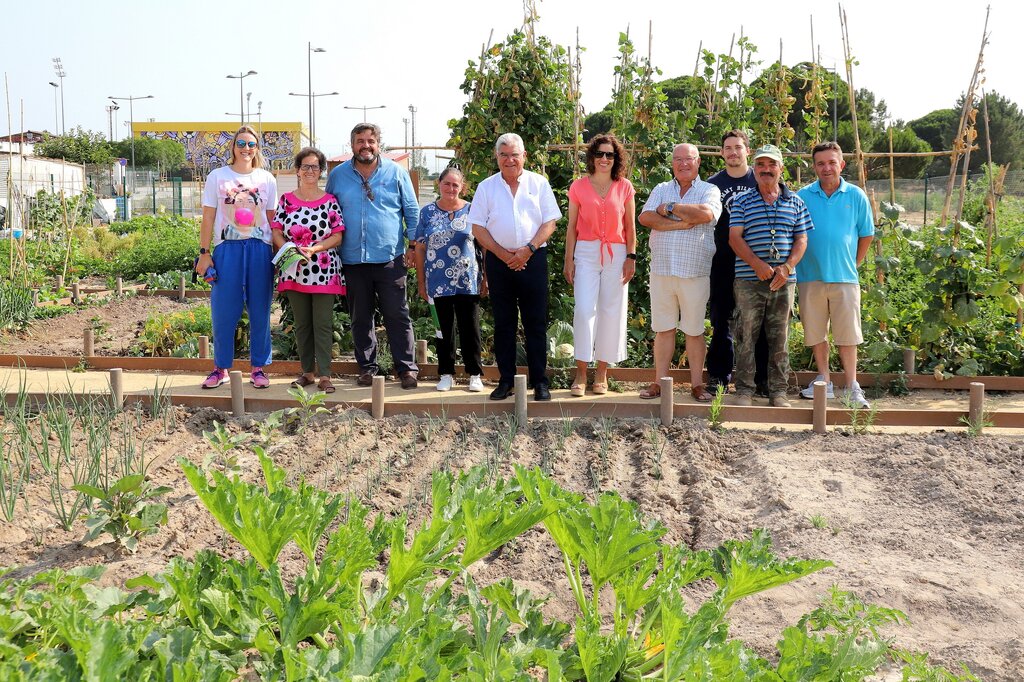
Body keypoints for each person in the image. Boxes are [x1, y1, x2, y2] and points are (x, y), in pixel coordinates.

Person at [325, 123, 420, 389]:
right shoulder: (338, 176)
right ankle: (367, 368)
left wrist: (413, 246)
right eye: (360, 141)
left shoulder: (396, 173)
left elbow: (412, 212)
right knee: (361, 317)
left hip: (389, 258)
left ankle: (407, 370)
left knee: (398, 315)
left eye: (371, 141)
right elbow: (328, 212)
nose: (365, 145)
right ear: (351, 144)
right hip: (353, 260)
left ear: (379, 144)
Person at [469, 133, 562, 401]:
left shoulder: (539, 183)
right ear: (497, 158)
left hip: (533, 261)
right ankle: (505, 381)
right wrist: (503, 254)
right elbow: (478, 227)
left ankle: (540, 382)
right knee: (504, 325)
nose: (510, 160)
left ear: (524, 157)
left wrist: (527, 250)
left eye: (514, 155)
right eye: (504, 155)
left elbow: (549, 223)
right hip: (499, 264)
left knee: (536, 324)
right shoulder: (486, 187)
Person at [728, 144, 812, 407]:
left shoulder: (796, 201)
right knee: (746, 335)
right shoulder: (742, 201)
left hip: (783, 281)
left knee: (780, 337)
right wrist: (756, 264)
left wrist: (786, 267)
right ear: (754, 170)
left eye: (771, 164)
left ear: (780, 168)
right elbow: (734, 238)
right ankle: (744, 390)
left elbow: (802, 239)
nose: (766, 170)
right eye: (761, 165)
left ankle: (778, 391)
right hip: (748, 280)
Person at [637, 143, 722, 402]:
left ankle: (697, 385)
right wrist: (682, 224)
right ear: (672, 163)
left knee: (694, 330)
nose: (683, 164)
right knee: (663, 329)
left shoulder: (709, 189)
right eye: (678, 159)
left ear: (698, 162)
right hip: (662, 270)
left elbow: (706, 214)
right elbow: (646, 218)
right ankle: (659, 384)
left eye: (689, 159)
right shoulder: (660, 188)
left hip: (694, 271)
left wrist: (671, 208)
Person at [196, 125, 278, 390]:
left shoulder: (267, 179)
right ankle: (220, 368)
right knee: (223, 310)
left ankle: (258, 368)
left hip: (259, 249)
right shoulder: (217, 177)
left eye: (251, 145)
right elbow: (208, 216)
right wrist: (204, 253)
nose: (246, 149)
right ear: (233, 147)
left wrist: (280, 254)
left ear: (257, 149)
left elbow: (271, 219)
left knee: (260, 310)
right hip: (227, 248)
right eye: (241, 144)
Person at [796, 141, 875, 408]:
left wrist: (853, 263)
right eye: (821, 163)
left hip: (845, 277)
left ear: (841, 164)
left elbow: (866, 234)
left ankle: (852, 385)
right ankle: (824, 380)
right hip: (810, 276)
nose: (826, 168)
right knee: (816, 332)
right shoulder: (803, 196)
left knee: (848, 334)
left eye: (832, 162)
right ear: (814, 167)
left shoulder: (856, 196)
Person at [563, 134, 637, 396]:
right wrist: (568, 259)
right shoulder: (578, 187)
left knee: (611, 311)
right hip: (586, 250)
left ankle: (602, 372)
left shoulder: (625, 186)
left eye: (610, 155)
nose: (605, 159)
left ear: (616, 159)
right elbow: (571, 227)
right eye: (600, 154)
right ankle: (581, 372)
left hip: (617, 253)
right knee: (584, 310)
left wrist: (631, 257)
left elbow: (630, 226)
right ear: (592, 157)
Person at [271, 146, 345, 394]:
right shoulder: (286, 201)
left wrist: (315, 249)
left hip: (323, 270)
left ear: (321, 171)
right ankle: (307, 373)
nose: (310, 170)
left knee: (323, 323)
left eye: (315, 166)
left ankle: (325, 374)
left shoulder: (330, 201)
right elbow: (276, 232)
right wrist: (290, 251)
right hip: (294, 270)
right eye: (306, 166)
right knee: (302, 324)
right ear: (298, 170)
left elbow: (338, 235)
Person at [706, 129, 770, 396]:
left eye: (738, 147)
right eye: (728, 148)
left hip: (754, 262)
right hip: (721, 261)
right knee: (722, 322)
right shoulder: (712, 185)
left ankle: (762, 380)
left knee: (760, 321)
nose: (733, 152)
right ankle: (720, 376)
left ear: (748, 151)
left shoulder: (760, 180)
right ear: (722, 153)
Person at [414, 166, 485, 393]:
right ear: (439, 184)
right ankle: (446, 373)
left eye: (456, 185)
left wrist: (487, 278)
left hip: (468, 280)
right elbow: (420, 249)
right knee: (442, 329)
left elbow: (484, 246)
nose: (451, 188)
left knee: (470, 328)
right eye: (447, 183)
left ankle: (474, 373)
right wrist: (421, 282)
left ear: (462, 187)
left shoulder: (473, 211)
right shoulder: (427, 213)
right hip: (437, 281)